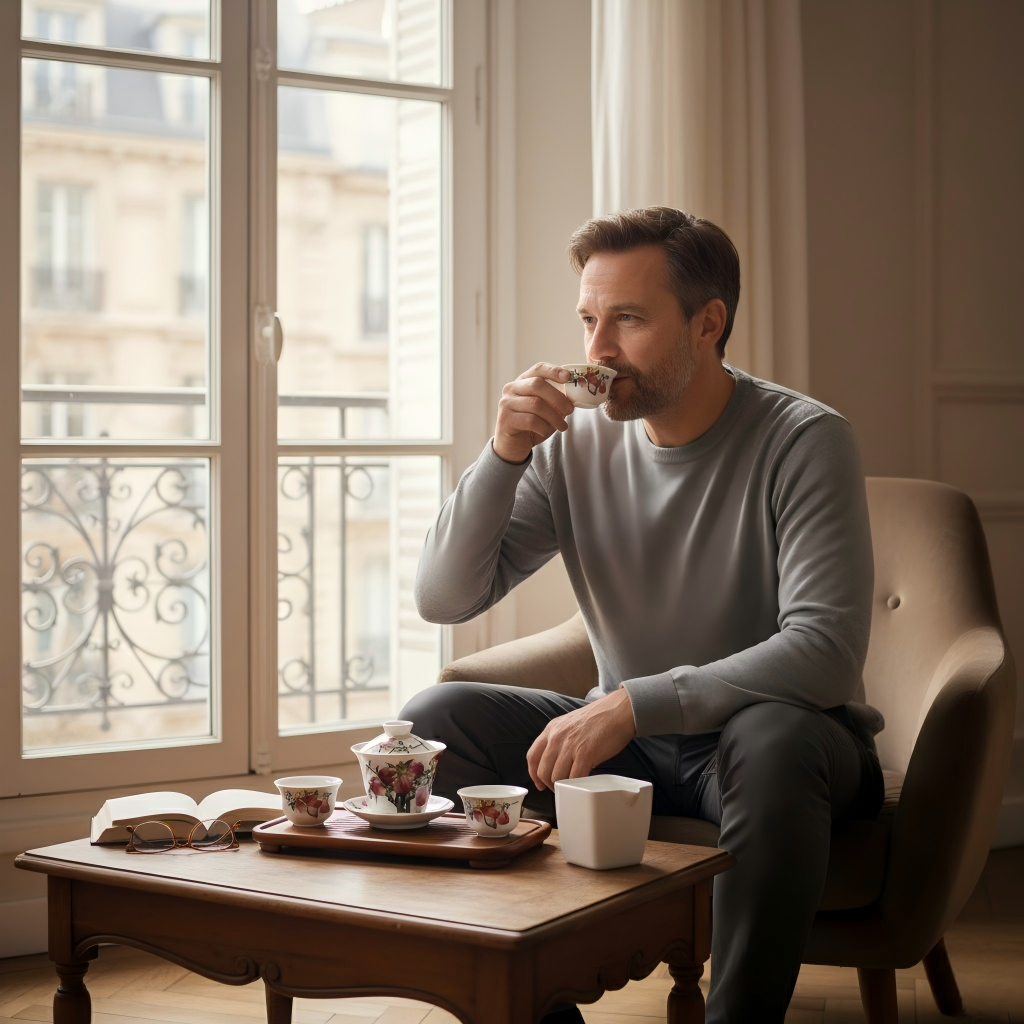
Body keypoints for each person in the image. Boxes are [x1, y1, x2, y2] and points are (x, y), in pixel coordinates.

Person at [401, 207, 884, 1023]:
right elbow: (445, 598)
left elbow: (825, 649)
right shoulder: (572, 447)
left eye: (626, 319)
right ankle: (538, 1005)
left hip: (788, 748)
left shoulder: (804, 439)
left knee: (772, 737)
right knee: (434, 719)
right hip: (638, 751)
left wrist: (634, 702)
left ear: (707, 324)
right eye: (589, 319)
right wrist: (504, 454)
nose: (597, 352)